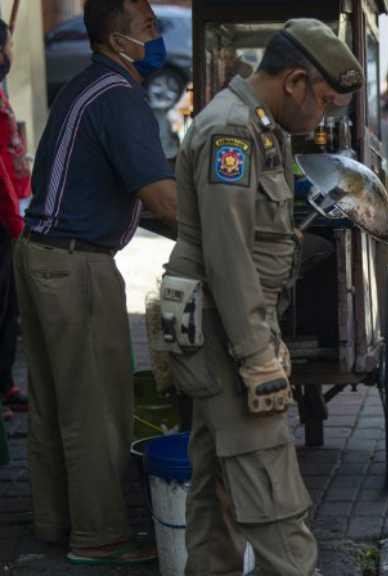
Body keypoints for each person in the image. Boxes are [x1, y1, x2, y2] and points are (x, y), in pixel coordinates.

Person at [162, 19, 362, 575]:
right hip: (230, 334)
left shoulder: (258, 125)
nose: (321, 116)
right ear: (295, 80)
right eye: (323, 101)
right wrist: (258, 361)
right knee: (273, 494)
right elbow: (228, 259)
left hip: (230, 325)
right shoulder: (232, 132)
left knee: (216, 489)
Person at [15, 0, 177, 565]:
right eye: (149, 28)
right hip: (76, 265)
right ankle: (99, 536)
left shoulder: (87, 86)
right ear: (117, 38)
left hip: (41, 254)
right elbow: (160, 197)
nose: (157, 37)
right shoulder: (119, 97)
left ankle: (57, 523)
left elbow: (137, 194)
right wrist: (219, 237)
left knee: (56, 402)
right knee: (96, 407)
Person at [0, 18, 29, 422]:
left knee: (9, 309)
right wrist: (14, 218)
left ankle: (4, 382)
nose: (10, 55)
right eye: (7, 47)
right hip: (3, 217)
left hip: (12, 209)